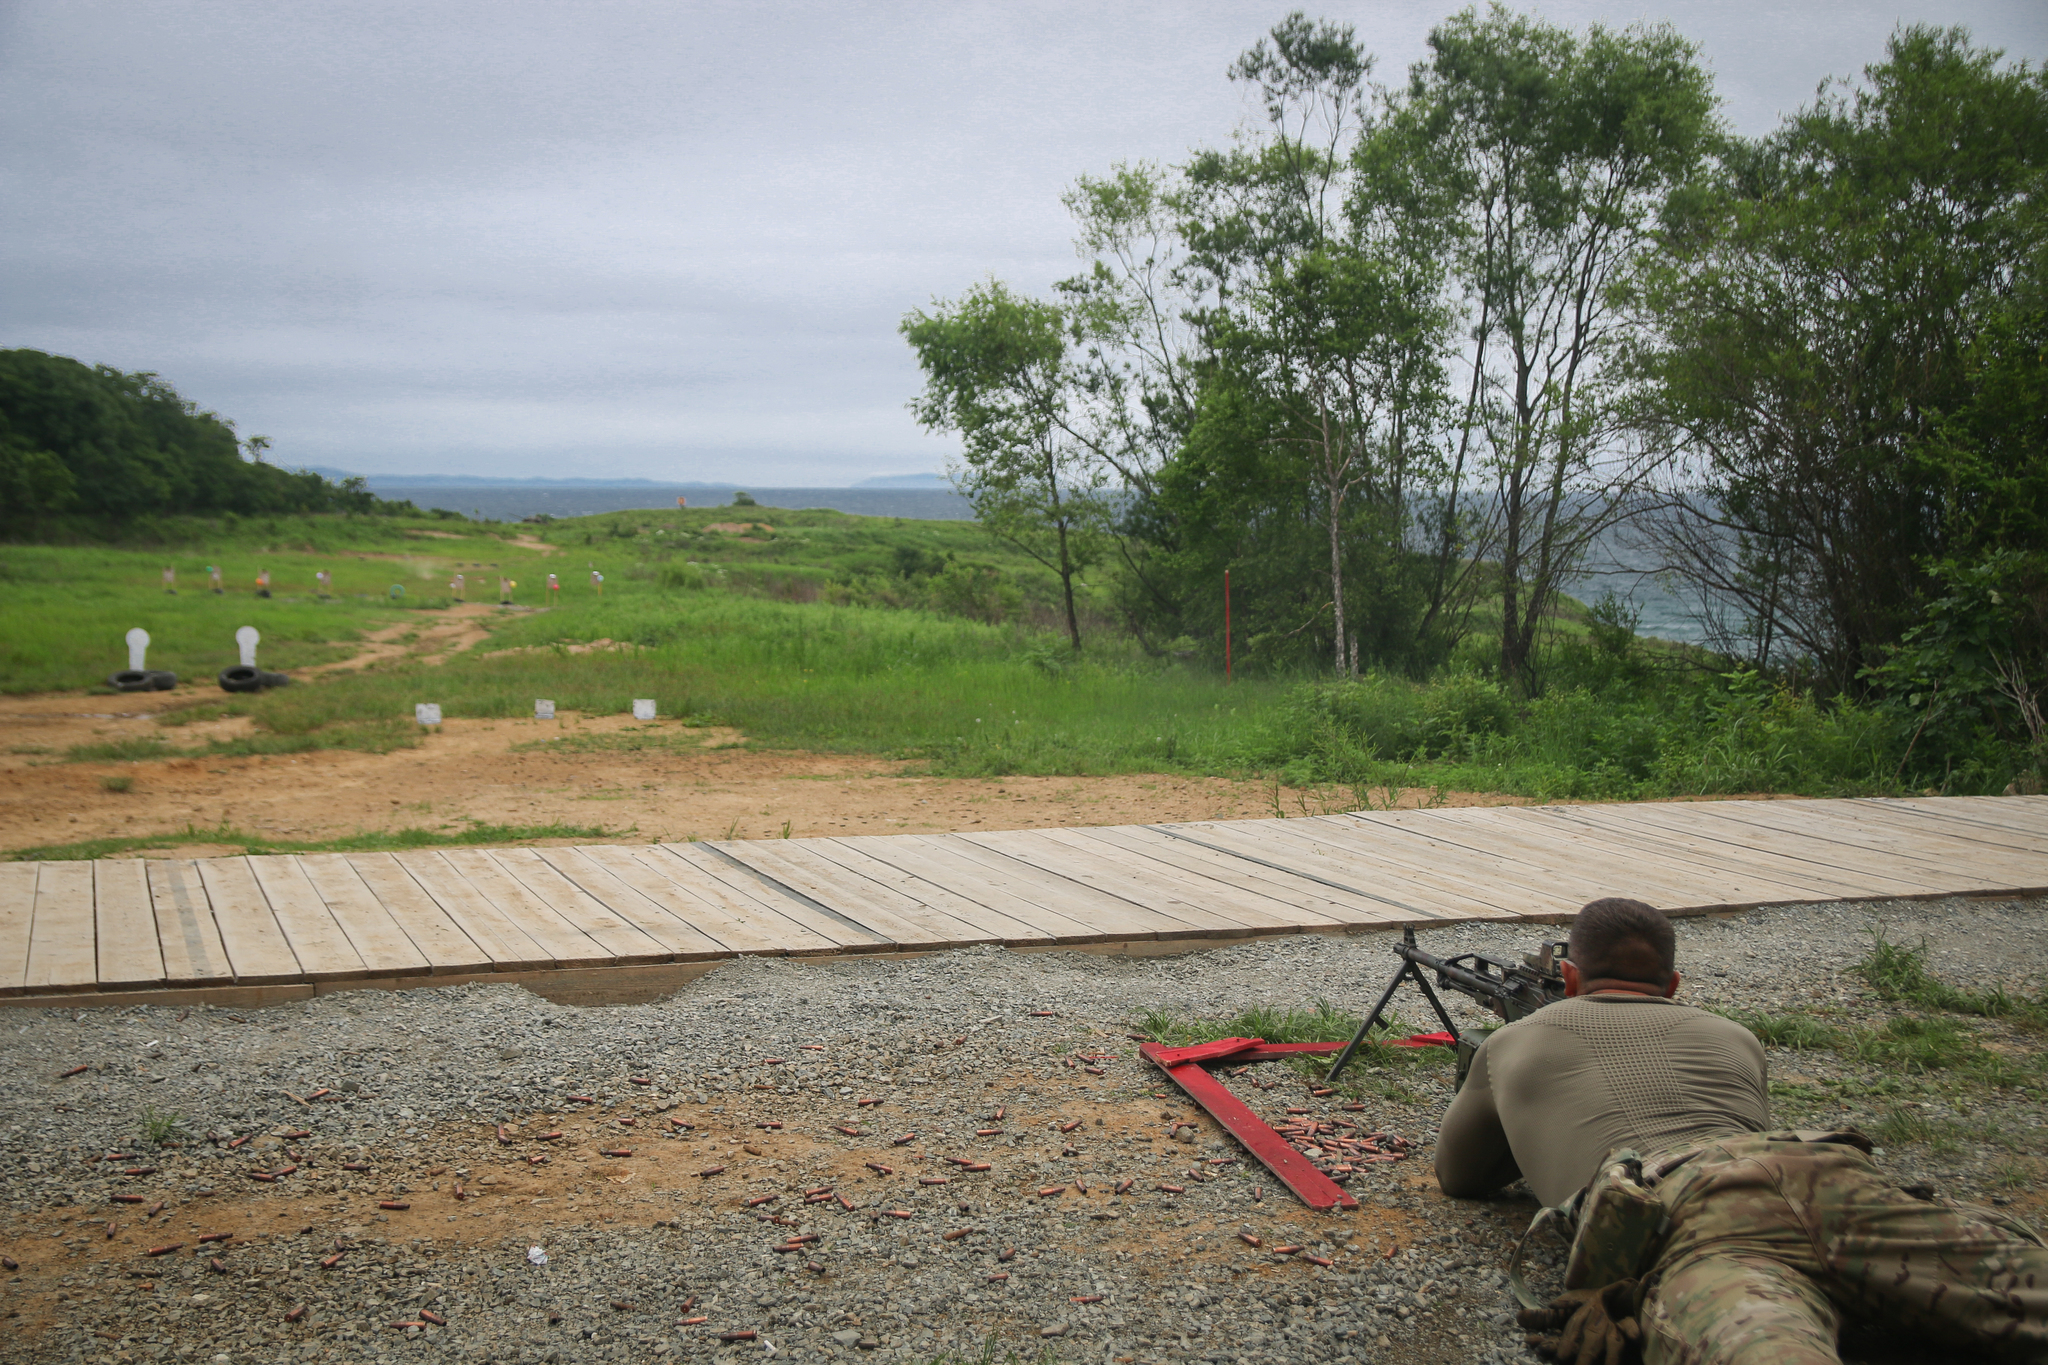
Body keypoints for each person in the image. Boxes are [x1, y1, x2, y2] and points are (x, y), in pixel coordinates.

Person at [1436, 897, 2048, 1365]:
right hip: (1834, 1175)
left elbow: (1459, 1176)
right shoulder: (1736, 1037)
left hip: (1689, 1214)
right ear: (1674, 987)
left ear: (1568, 980)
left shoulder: (1513, 1042)